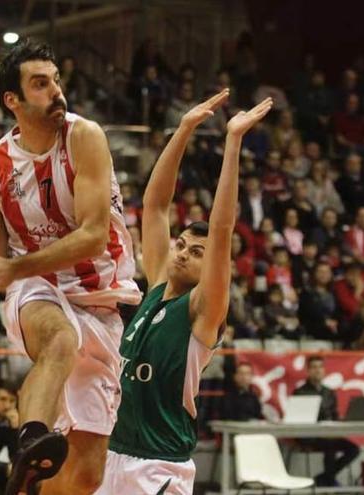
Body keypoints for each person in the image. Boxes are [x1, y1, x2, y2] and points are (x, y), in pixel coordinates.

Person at [0, 39, 142, 494]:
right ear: (13, 101)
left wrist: (9, 268)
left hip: (102, 299)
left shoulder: (85, 138)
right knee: (60, 338)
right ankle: (30, 441)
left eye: (56, 80)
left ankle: (35, 481)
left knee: (85, 476)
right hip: (37, 287)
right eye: (40, 84)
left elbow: (93, 235)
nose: (56, 92)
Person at [97, 92, 271, 494]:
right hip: (113, 452)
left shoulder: (202, 310)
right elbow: (156, 206)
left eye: (197, 253)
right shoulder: (158, 283)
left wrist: (232, 143)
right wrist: (184, 129)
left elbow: (222, 230)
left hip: (160, 466)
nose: (182, 254)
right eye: (182, 245)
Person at [293, 356, 360, 487]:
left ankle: (324, 478)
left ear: (324, 370)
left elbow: (334, 415)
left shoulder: (329, 392)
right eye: (314, 367)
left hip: (328, 433)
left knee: (354, 449)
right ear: (308, 371)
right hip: (309, 435)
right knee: (330, 444)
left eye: (320, 367)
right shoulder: (300, 392)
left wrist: (341, 422)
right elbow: (298, 417)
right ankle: (328, 481)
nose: (317, 370)